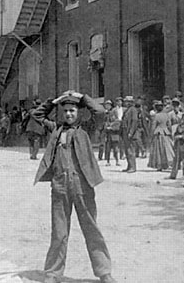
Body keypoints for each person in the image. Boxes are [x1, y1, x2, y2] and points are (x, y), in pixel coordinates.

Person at [32, 90, 115, 283]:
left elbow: (101, 113)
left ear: (79, 112)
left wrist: (82, 97)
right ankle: (53, 273)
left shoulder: (87, 128)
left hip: (82, 187)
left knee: (91, 229)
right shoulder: (55, 129)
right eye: (66, 110)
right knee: (59, 233)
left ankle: (104, 272)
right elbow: (36, 115)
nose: (69, 114)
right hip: (60, 187)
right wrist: (54, 101)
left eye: (73, 111)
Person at [147, 101, 175, 171]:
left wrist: (151, 135)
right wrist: (170, 133)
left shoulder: (156, 116)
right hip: (166, 133)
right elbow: (169, 125)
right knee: (167, 149)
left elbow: (153, 126)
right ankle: (168, 163)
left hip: (158, 133)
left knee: (158, 150)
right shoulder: (167, 115)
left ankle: (160, 165)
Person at [169, 112, 184, 179]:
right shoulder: (179, 126)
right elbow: (176, 133)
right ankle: (173, 175)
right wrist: (176, 136)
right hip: (178, 146)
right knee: (175, 161)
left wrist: (182, 136)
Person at [120, 96, 139, 173]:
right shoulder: (127, 110)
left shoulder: (133, 110)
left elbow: (134, 121)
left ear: (131, 102)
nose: (126, 103)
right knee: (127, 150)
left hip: (130, 133)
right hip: (125, 131)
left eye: (127, 101)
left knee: (131, 150)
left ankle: (133, 167)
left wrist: (131, 132)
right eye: (126, 101)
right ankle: (129, 166)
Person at [104, 102, 121, 167]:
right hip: (108, 136)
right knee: (108, 149)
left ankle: (117, 161)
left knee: (116, 149)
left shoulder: (117, 121)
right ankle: (108, 161)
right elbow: (105, 126)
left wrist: (111, 127)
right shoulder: (107, 119)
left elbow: (117, 127)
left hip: (115, 136)